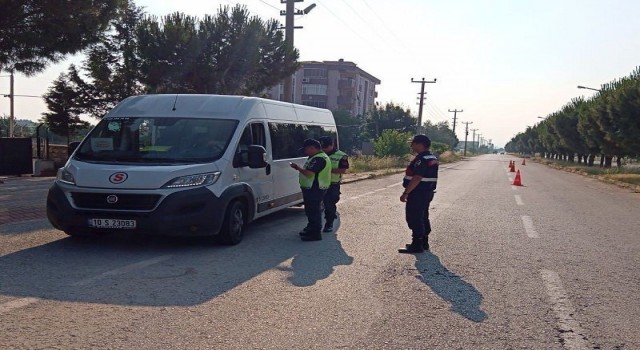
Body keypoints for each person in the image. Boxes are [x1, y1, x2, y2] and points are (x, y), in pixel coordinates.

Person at [398, 134, 439, 254]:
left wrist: (406, 193)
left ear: (420, 144)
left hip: (418, 192)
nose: (412, 146)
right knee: (423, 216)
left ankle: (417, 244)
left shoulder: (422, 159)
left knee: (414, 217)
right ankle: (424, 242)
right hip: (427, 192)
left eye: (413, 143)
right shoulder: (432, 158)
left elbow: (417, 178)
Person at [290, 138, 332, 241]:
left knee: (314, 211)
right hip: (313, 188)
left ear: (312, 148)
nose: (305, 152)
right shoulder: (316, 157)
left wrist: (297, 168)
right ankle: (310, 228)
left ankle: (315, 234)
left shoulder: (319, 158)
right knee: (310, 210)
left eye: (306, 149)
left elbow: (309, 173)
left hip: (315, 188)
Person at [318, 136, 349, 233]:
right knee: (318, 205)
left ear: (332, 145)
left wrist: (327, 170)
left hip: (332, 184)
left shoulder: (341, 155)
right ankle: (315, 224)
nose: (324, 149)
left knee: (329, 203)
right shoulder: (319, 153)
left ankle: (329, 223)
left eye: (326, 147)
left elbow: (343, 170)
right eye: (322, 147)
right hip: (319, 183)